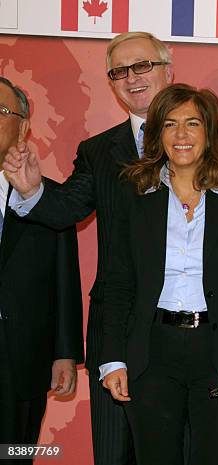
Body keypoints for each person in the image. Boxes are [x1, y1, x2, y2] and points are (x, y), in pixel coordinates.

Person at [2, 32, 218, 465]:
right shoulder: (98, 151)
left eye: (143, 66)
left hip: (204, 340)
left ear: (168, 70)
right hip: (120, 333)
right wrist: (33, 190)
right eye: (119, 72)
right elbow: (64, 210)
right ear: (111, 84)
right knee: (116, 455)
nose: (132, 78)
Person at [99, 83, 218, 465]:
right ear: (157, 134)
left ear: (209, 132)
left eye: (192, 123)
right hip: (150, 355)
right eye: (170, 124)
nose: (181, 135)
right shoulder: (136, 198)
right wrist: (113, 359)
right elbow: (117, 283)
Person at [0, 77, 83, 463]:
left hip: (19, 361)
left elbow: (64, 278)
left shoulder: (48, 197)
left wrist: (64, 352)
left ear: (24, 126)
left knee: (14, 453)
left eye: (1, 111)